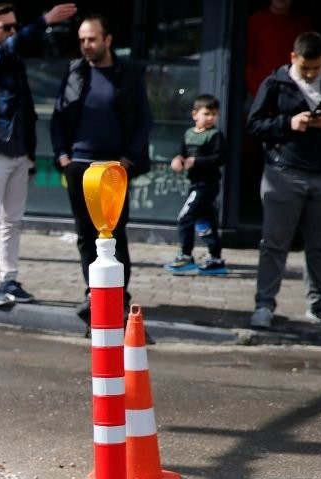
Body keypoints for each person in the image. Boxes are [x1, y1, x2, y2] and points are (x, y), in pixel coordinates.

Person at [0, 2, 78, 307]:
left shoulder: (15, 62)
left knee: (13, 222)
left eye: (15, 26)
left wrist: (29, 154)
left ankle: (10, 280)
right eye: (6, 27)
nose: (13, 32)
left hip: (17, 155)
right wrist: (44, 19)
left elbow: (26, 113)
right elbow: (9, 49)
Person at [246, 31, 321, 330]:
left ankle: (320, 305)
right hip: (284, 173)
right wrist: (288, 123)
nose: (310, 74)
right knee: (274, 243)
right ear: (293, 58)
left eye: (316, 68)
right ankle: (264, 305)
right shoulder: (275, 83)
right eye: (305, 68)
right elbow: (254, 125)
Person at [50, 14, 153, 324]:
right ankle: (93, 291)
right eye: (82, 40)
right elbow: (58, 116)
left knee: (113, 233)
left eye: (92, 39)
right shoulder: (74, 71)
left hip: (113, 168)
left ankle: (118, 294)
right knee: (85, 234)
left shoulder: (129, 74)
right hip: (78, 164)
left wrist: (128, 158)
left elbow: (143, 121)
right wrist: (63, 156)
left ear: (108, 40)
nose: (86, 45)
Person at [165, 94, 227, 276]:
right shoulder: (189, 134)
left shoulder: (215, 135)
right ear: (195, 115)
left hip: (207, 185)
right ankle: (216, 259)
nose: (210, 118)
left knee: (185, 217)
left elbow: (219, 158)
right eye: (206, 113)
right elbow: (182, 153)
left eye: (214, 114)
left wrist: (197, 161)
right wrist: (178, 160)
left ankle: (185, 255)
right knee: (205, 221)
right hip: (195, 184)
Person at [245, 0, 312, 99]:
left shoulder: (302, 24)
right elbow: (248, 60)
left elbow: (309, 60)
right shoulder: (256, 21)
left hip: (294, 93)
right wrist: (257, 91)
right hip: (261, 91)